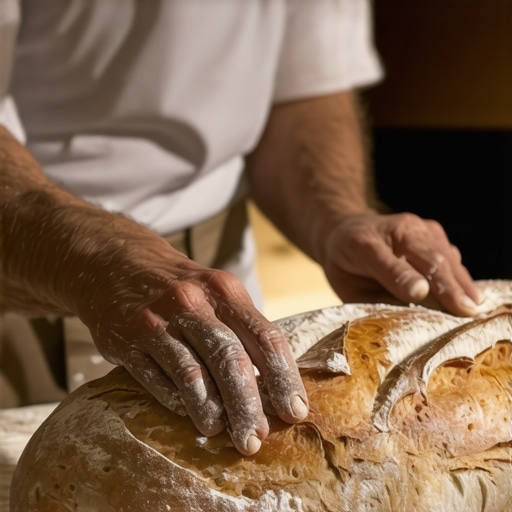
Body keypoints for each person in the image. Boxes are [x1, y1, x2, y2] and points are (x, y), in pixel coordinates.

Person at [0, 0, 482, 456]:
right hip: (24, 255)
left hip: (215, 291)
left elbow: (304, 81)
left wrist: (338, 215)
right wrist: (98, 257)